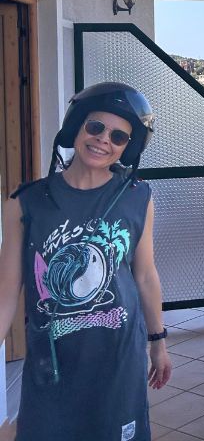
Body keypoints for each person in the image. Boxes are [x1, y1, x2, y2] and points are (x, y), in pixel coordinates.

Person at [0, 82, 172, 440]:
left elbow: (144, 275)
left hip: (118, 359)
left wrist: (158, 341)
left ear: (128, 147)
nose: (103, 140)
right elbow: (5, 294)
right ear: (77, 127)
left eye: (118, 136)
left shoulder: (137, 197)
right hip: (52, 363)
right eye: (95, 127)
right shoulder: (24, 203)